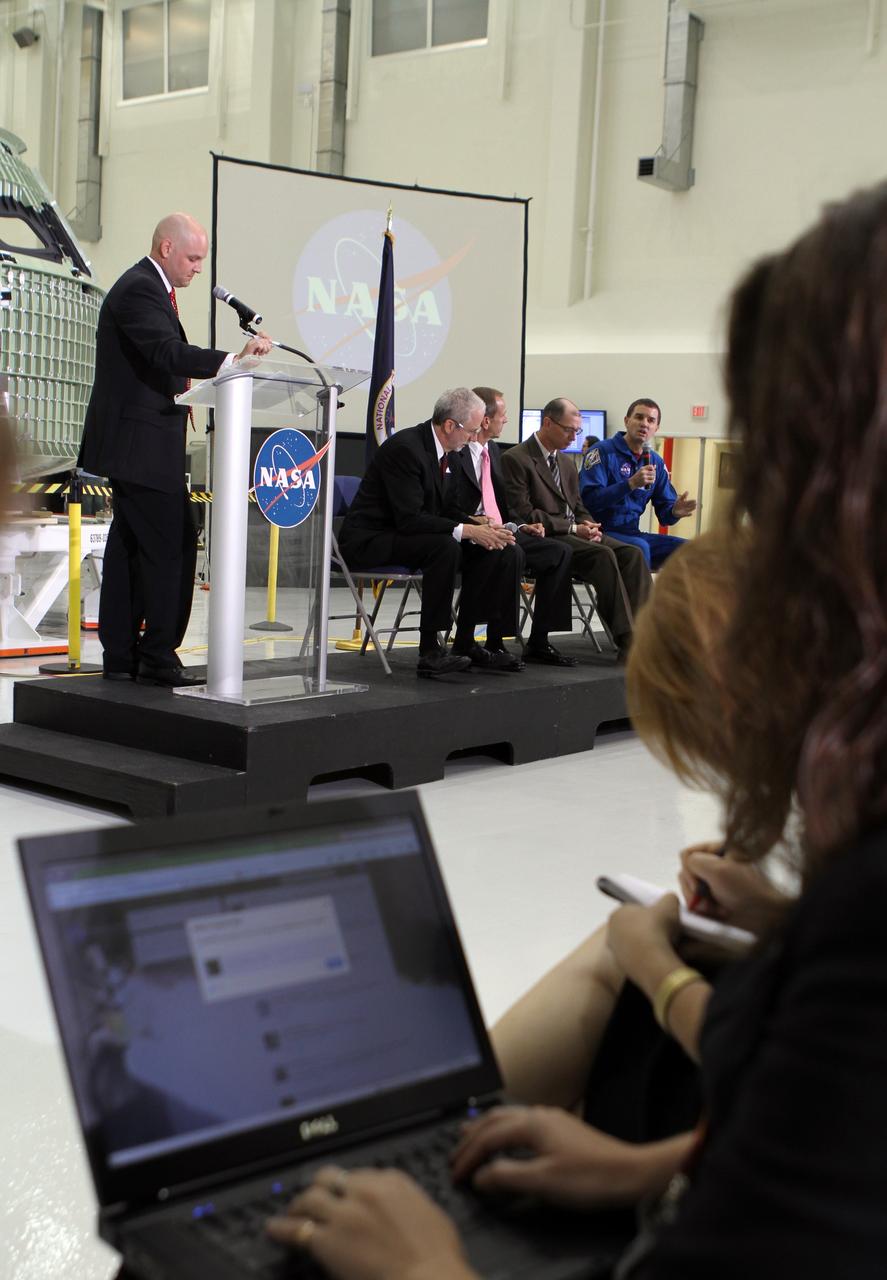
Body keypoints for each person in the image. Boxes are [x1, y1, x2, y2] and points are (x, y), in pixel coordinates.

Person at [266, 182, 887, 1278]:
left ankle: (346, 1180)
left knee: (566, 556)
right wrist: (648, 1167)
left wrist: (422, 1268)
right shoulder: (445, 453)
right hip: (432, 538)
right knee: (528, 554)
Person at [78, 212, 272, 688]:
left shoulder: (148, 287)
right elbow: (165, 353)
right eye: (192, 257)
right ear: (166, 248)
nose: (197, 268)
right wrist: (231, 361)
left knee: (129, 550)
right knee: (174, 548)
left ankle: (123, 656)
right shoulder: (140, 288)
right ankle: (158, 657)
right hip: (140, 447)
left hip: (138, 447)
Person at [339, 388, 525, 677]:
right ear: (450, 425)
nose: (474, 438)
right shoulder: (406, 449)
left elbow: (447, 508)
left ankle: (466, 642)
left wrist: (479, 526)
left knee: (497, 548)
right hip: (371, 538)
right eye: (472, 431)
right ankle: (430, 650)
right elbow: (409, 518)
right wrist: (465, 530)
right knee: (446, 547)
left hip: (408, 533)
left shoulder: (448, 451)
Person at [501, 398, 651, 657]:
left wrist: (588, 523)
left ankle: (649, 633)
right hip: (548, 535)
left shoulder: (567, 463)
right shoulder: (516, 459)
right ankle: (628, 639)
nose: (574, 436)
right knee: (603, 555)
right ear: (547, 423)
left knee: (633, 554)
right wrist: (572, 529)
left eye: (577, 431)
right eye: (568, 429)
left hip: (574, 532)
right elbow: (524, 513)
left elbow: (578, 505)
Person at [443, 387, 576, 667]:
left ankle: (539, 640)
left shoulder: (493, 450)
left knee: (559, 552)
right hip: (468, 531)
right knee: (509, 552)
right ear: (486, 421)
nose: (506, 421)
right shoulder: (456, 453)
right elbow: (447, 504)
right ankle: (492, 642)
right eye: (503, 415)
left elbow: (502, 505)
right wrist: (475, 523)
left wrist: (521, 525)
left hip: (500, 528)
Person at [579, 400, 697, 570]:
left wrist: (674, 511)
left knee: (692, 550)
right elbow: (589, 501)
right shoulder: (601, 452)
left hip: (632, 533)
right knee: (639, 548)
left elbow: (665, 516)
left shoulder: (655, 461)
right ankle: (638, 597)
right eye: (639, 417)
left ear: (656, 428)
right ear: (627, 421)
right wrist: (630, 484)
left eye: (651, 420)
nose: (644, 424)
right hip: (599, 532)